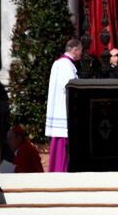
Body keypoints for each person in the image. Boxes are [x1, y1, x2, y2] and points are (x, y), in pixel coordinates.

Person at [45, 38, 82, 172]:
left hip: (58, 109)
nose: (81, 54)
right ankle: (61, 169)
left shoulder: (59, 63)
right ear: (75, 50)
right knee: (63, 143)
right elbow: (70, 88)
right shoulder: (66, 65)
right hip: (63, 110)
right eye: (80, 51)